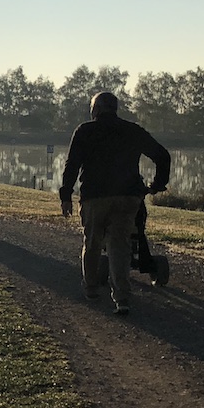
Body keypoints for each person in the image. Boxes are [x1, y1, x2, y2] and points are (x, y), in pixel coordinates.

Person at [59, 92, 171, 315]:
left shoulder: (85, 131)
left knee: (92, 243)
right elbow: (163, 156)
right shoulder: (132, 130)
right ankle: (122, 299)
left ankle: (91, 289)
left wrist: (66, 195)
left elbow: (72, 165)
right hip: (128, 197)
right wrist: (157, 184)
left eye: (92, 108)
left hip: (95, 196)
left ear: (97, 109)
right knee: (120, 245)